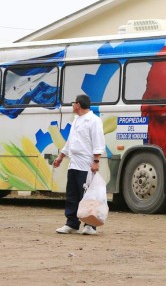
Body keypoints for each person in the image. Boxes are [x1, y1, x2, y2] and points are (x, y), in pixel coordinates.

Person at [53, 94, 105, 235]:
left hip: (86, 164)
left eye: (73, 103)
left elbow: (98, 142)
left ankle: (90, 225)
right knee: (72, 194)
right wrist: (61, 156)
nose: (72, 106)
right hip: (74, 163)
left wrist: (96, 161)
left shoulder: (93, 120)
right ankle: (72, 223)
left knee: (87, 195)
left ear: (78, 105)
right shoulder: (76, 120)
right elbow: (70, 141)